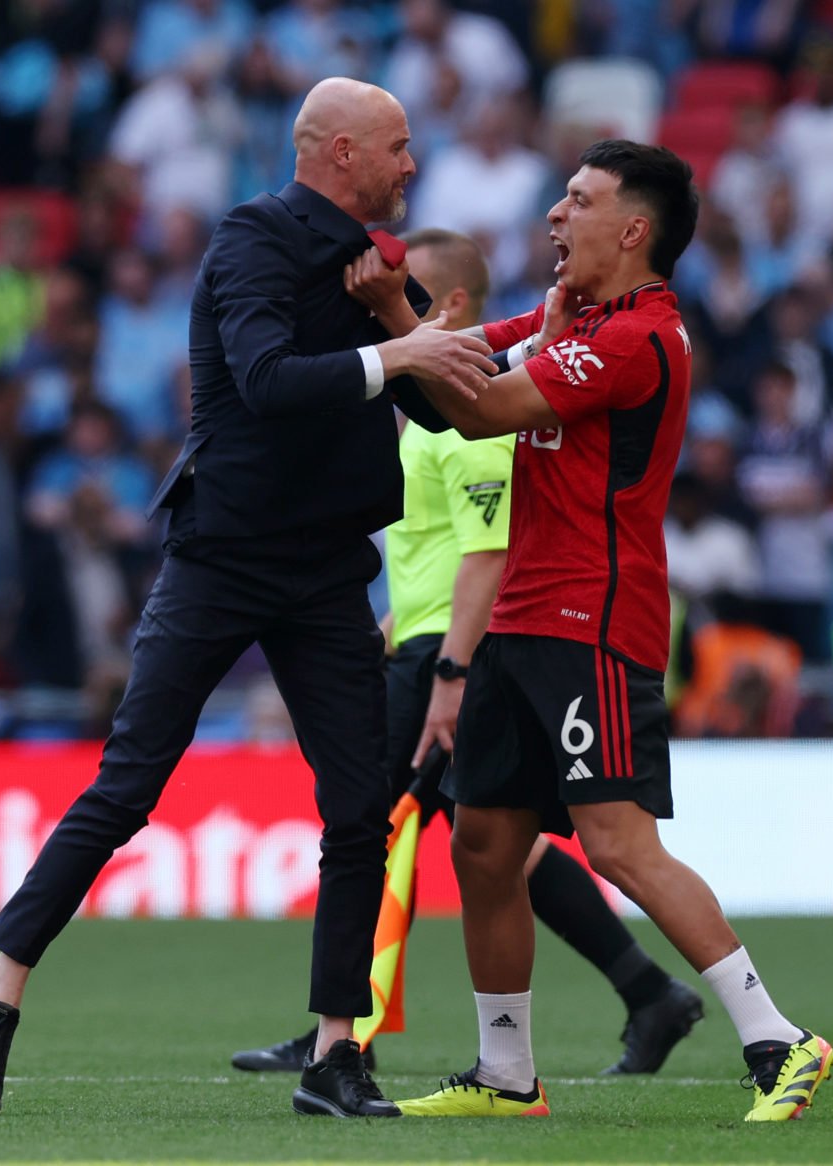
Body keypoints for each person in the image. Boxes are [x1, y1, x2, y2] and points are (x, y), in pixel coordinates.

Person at [0, 77, 497, 1121]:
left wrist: (406, 320)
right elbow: (268, 379)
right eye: (399, 147)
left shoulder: (378, 271)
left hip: (324, 566)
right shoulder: (254, 238)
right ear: (338, 154)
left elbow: (449, 410)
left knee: (356, 807)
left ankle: (337, 1053)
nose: (412, 165)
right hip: (224, 555)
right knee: (130, 782)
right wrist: (397, 344)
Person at [343, 139, 833, 1120]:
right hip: (523, 616)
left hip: (592, 617)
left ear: (634, 229)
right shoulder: (574, 319)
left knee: (616, 842)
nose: (555, 216)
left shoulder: (635, 337)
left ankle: (779, 1037)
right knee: (482, 843)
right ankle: (506, 1071)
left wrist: (394, 314)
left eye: (577, 200)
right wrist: (419, 326)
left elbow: (476, 407)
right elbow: (469, 355)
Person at [232, 228, 703, 1079]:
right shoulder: (438, 417)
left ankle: (346, 1029)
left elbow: (486, 552)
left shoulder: (476, 421)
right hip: (421, 643)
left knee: (370, 826)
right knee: (486, 840)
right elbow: (432, 551)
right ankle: (645, 990)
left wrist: (450, 669)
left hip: (456, 653)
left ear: (445, 307)